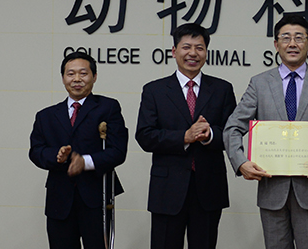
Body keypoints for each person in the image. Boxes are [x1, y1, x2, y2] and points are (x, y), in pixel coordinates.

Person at [224, 15, 308, 249]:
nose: (292, 43)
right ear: (276, 44)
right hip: (272, 190)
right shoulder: (259, 83)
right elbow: (233, 127)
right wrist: (241, 162)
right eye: (285, 38)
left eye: (299, 37)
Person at [135, 23, 235, 249]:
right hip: (167, 189)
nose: (193, 53)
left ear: (206, 52)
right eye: (186, 47)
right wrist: (184, 137)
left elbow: (232, 133)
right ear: (174, 51)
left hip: (208, 188)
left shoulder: (222, 89)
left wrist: (209, 135)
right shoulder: (155, 90)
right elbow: (145, 135)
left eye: (199, 48)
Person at [29, 52, 128, 249]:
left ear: (94, 76)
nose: (76, 79)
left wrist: (85, 162)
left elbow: (118, 150)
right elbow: (36, 151)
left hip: (96, 198)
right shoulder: (46, 116)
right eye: (70, 74)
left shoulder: (108, 107)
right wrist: (57, 156)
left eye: (83, 73)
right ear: (62, 78)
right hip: (59, 200)